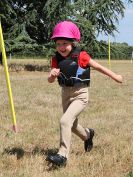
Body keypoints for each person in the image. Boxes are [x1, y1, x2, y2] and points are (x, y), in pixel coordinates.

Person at [47, 21, 123, 167]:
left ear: (72, 42)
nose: (61, 47)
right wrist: (52, 75)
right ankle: (88, 135)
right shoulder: (56, 59)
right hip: (66, 93)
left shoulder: (81, 56)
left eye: (65, 43)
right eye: (58, 44)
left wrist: (115, 76)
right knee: (72, 125)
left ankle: (62, 156)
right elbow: (50, 80)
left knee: (64, 121)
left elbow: (99, 67)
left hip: (80, 94)